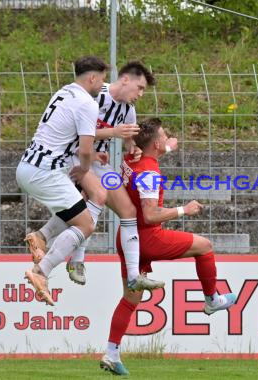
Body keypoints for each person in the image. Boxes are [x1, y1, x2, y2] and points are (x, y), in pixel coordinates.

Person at [99, 118, 237, 375]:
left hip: (127, 237)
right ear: (156, 143)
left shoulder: (132, 157)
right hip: (148, 237)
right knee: (204, 246)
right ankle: (212, 300)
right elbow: (150, 214)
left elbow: (149, 151)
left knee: (131, 299)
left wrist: (167, 147)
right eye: (164, 136)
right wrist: (185, 209)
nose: (168, 137)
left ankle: (111, 353)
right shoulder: (150, 173)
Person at [24, 62, 165, 292]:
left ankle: (133, 276)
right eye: (139, 88)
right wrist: (113, 133)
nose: (140, 94)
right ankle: (75, 260)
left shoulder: (128, 110)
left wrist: (134, 148)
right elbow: (76, 133)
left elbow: (129, 140)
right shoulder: (94, 96)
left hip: (96, 162)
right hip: (73, 158)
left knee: (128, 211)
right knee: (94, 197)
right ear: (125, 80)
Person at [16, 56, 108, 305]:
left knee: (81, 203)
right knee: (86, 224)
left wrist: (86, 159)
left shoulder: (63, 93)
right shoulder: (87, 103)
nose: (102, 84)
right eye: (102, 79)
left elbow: (63, 137)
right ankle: (40, 272)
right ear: (92, 78)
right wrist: (85, 168)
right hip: (45, 172)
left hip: (29, 166)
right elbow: (86, 149)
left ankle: (41, 237)